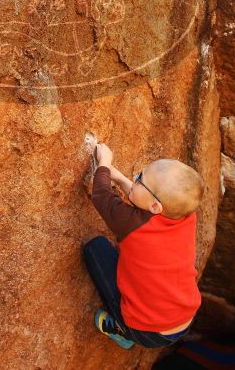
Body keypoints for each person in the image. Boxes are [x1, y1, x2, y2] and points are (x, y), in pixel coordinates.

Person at [83, 142, 204, 349]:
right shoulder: (185, 215)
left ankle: (123, 331)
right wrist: (120, 178)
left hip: (146, 331)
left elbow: (101, 196)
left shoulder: (131, 223)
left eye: (140, 179)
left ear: (156, 206)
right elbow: (147, 204)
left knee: (95, 248)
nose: (136, 178)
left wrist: (103, 164)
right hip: (184, 317)